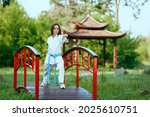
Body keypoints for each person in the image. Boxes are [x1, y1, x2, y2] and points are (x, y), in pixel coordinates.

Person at [40, 23, 68, 89]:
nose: (56, 30)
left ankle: (61, 83)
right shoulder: (49, 38)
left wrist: (64, 36)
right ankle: (45, 82)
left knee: (61, 67)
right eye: (54, 28)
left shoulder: (60, 37)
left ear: (59, 30)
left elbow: (63, 38)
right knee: (47, 70)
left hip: (58, 56)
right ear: (52, 29)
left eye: (57, 29)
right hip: (50, 56)